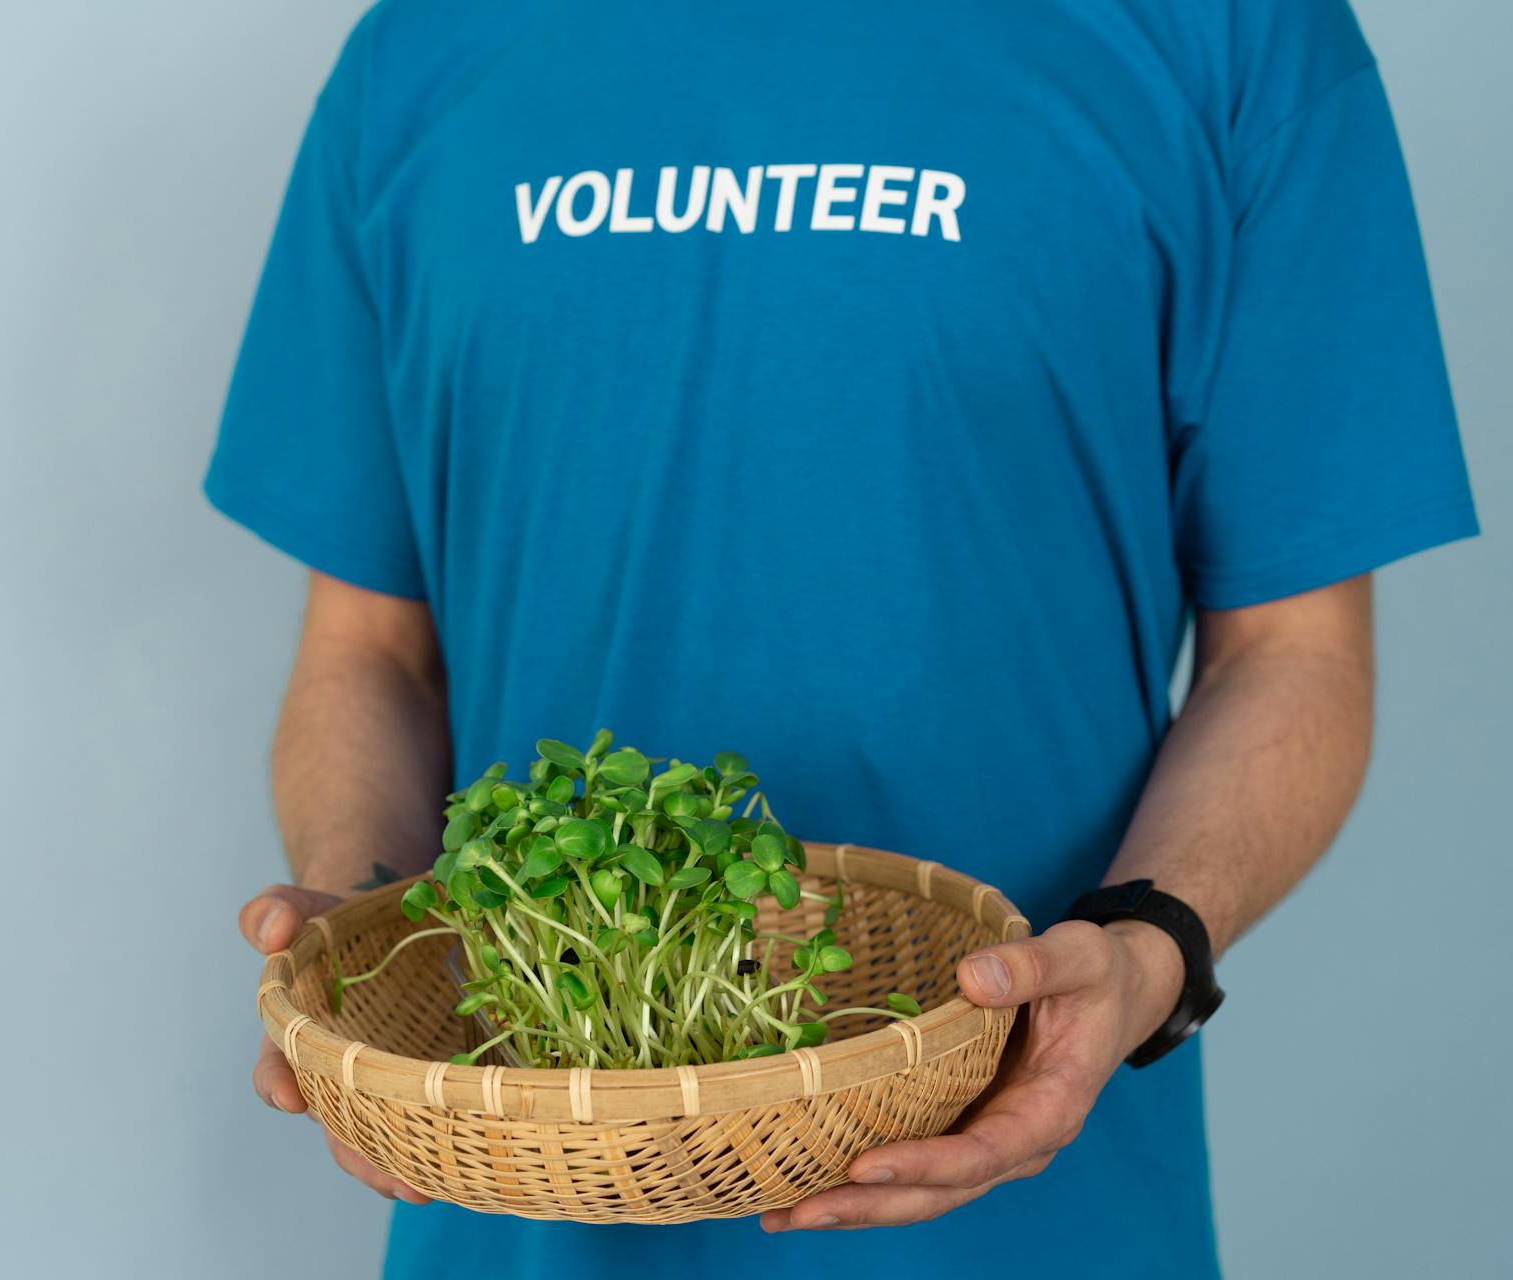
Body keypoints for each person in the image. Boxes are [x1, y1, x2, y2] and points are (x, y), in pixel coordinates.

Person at [206, 1, 1477, 1275]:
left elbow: (1294, 650)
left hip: (1033, 1210)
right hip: (522, 1204)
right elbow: (368, 649)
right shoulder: (422, 51)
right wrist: (359, 936)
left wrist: (1153, 943)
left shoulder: (1233, 33)